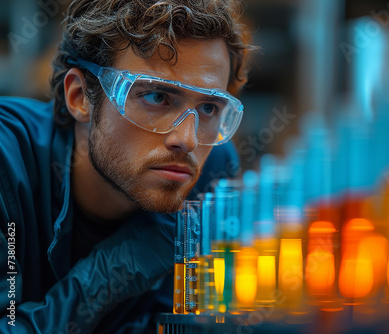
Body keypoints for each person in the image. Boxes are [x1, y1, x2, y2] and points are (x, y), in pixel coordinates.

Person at [0, 0, 253, 332]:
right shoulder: (8, 159)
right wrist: (112, 272)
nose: (188, 140)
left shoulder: (213, 167)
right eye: (156, 97)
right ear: (79, 97)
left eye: (208, 108)